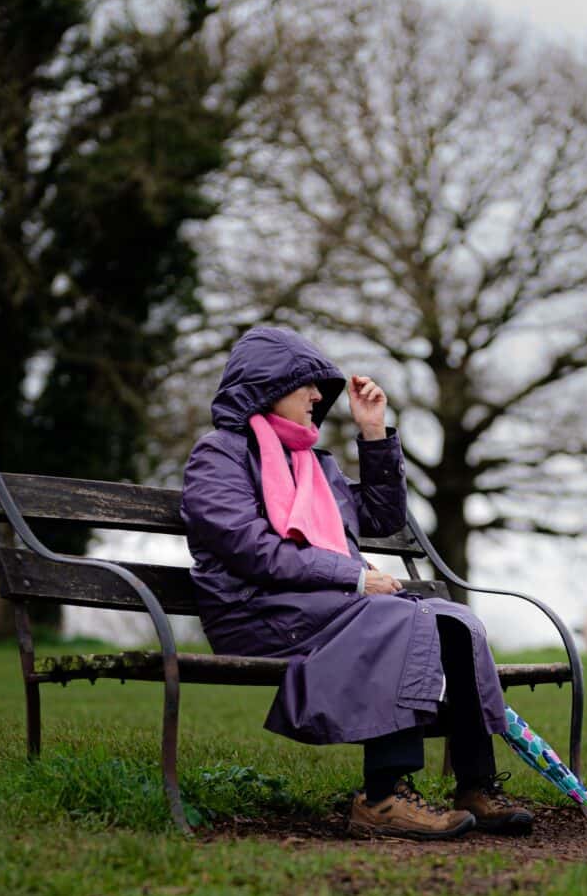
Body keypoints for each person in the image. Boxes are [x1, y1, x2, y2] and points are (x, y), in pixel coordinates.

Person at [180, 326, 533, 841]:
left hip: (322, 609)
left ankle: (476, 784)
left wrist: (374, 434)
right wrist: (353, 576)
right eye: (307, 385)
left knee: (453, 621)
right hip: (257, 613)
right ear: (268, 385)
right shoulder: (220, 455)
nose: (320, 397)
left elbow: (382, 517)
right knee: (400, 616)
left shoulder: (313, 464)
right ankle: (384, 796)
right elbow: (248, 547)